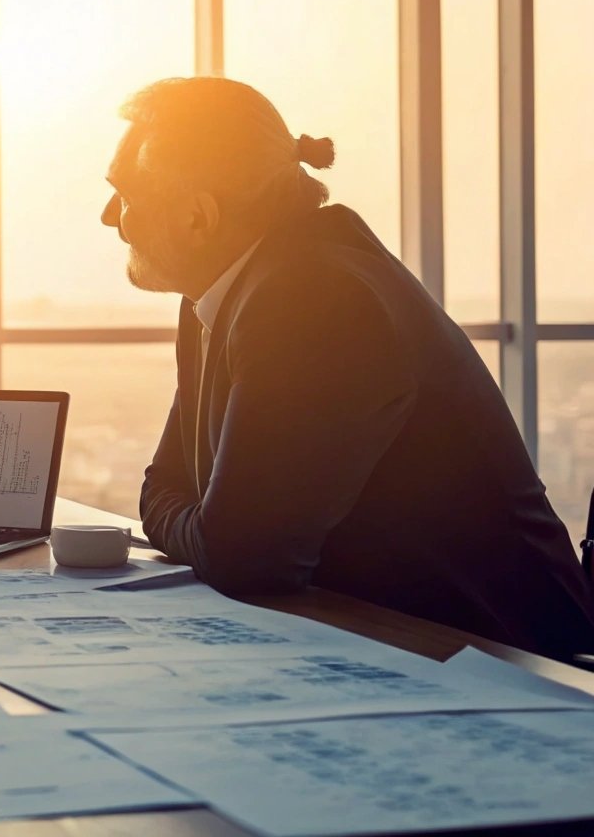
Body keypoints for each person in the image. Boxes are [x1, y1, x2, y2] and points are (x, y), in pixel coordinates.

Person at [102, 76, 594, 661]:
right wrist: (199, 523)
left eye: (127, 195)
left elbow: (243, 557)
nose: (110, 217)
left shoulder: (314, 295)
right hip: (384, 641)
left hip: (510, 670)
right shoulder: (224, 292)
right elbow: (171, 489)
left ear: (198, 218)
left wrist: (197, 523)